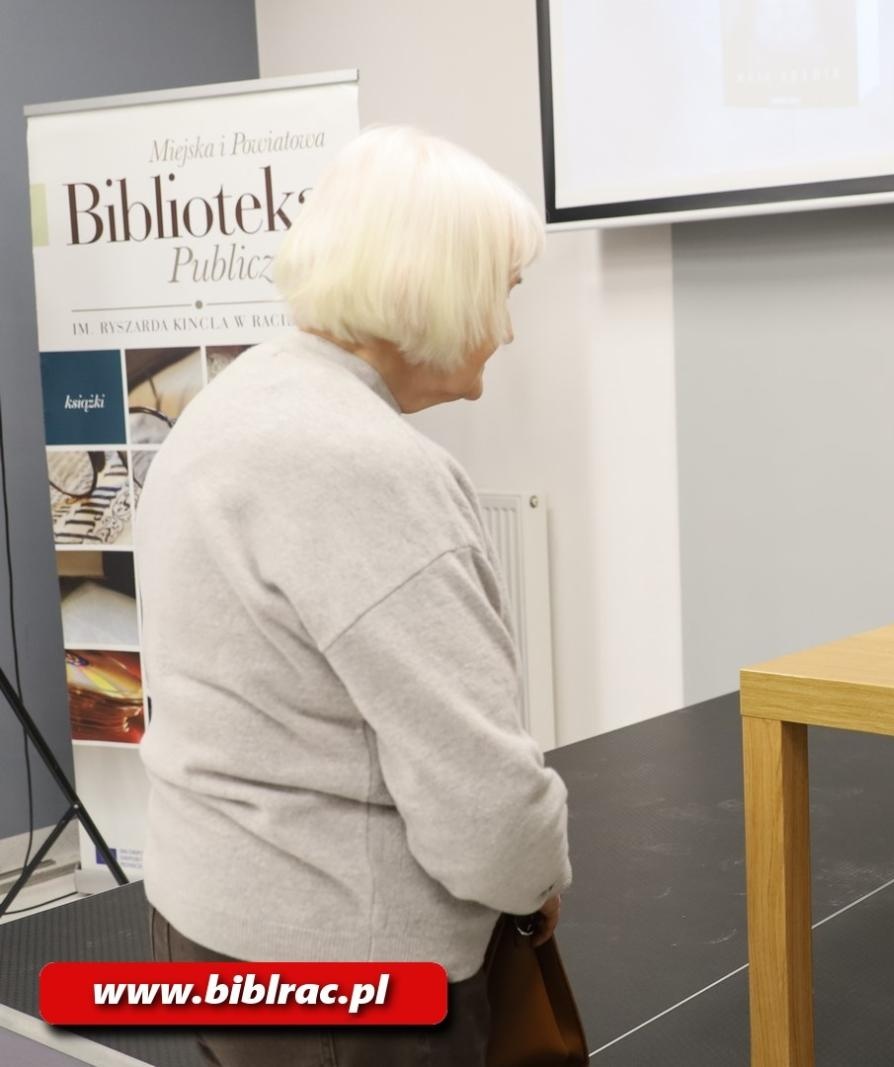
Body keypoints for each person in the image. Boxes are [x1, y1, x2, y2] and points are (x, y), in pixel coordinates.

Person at [136, 126, 570, 1064]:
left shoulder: (232, 402)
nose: (507, 327)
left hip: (214, 925)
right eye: (504, 289)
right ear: (439, 282)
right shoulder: (366, 467)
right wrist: (536, 873)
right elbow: (485, 809)